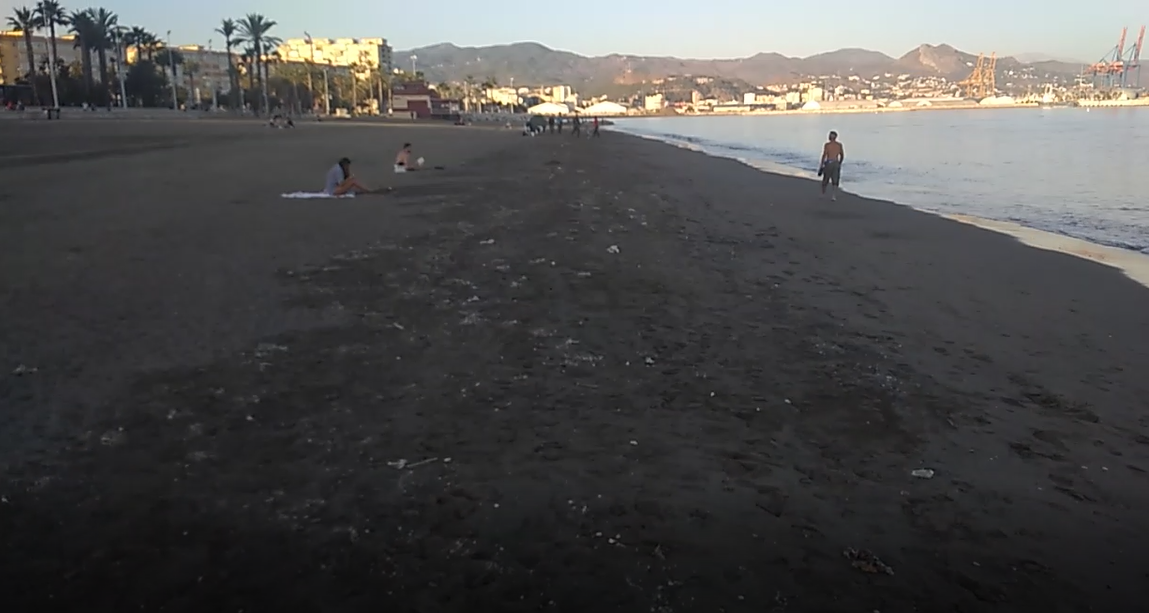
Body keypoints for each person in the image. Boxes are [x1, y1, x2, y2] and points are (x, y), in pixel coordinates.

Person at [819, 130, 845, 201]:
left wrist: (821, 164)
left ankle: (823, 193)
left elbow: (824, 155)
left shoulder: (827, 145)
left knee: (825, 179)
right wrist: (839, 162)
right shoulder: (839, 145)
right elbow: (842, 155)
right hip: (836, 162)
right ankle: (834, 195)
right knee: (835, 180)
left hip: (829, 163)